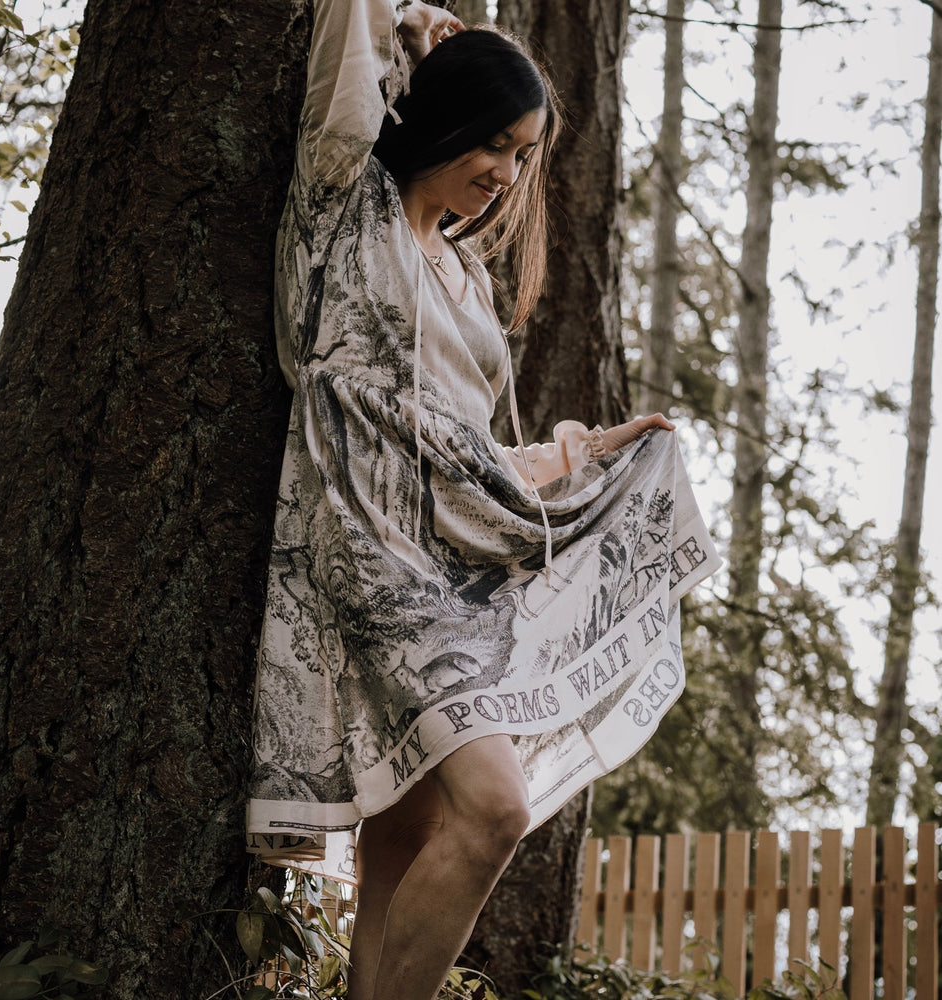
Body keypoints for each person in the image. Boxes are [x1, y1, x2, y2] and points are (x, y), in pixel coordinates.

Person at [246, 2, 720, 999]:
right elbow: (346, 57)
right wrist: (403, 21)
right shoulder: (346, 198)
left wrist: (583, 455)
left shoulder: (463, 275)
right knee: (497, 809)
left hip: (460, 561)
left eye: (521, 154)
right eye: (494, 142)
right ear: (445, 116)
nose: (505, 173)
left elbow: (469, 454)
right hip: (372, 556)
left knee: (411, 830)